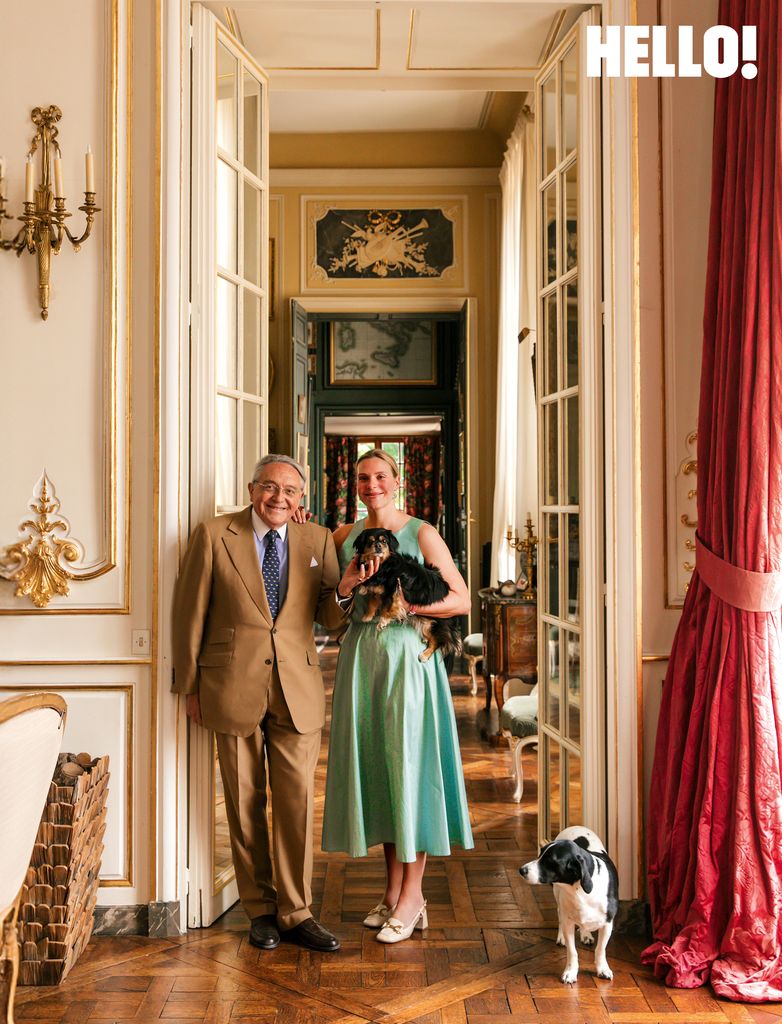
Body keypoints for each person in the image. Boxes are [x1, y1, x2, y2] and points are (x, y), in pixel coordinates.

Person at [171, 454, 370, 953]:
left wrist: (345, 590)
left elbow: (327, 615)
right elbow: (189, 611)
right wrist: (190, 686)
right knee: (243, 802)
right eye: (269, 487)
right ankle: (259, 909)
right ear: (251, 487)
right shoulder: (215, 533)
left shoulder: (317, 539)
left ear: (301, 497)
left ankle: (296, 911)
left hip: (297, 689)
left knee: (296, 803)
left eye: (290, 491)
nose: (279, 498)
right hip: (229, 687)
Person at [321, 448, 474, 943]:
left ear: (397, 480)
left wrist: (409, 604)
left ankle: (414, 896)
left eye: (380, 476)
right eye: (363, 477)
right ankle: (393, 892)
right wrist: (344, 588)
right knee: (381, 772)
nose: (372, 485)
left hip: (409, 662)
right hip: (362, 661)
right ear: (355, 483)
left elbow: (461, 597)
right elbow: (328, 606)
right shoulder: (343, 537)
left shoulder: (421, 532)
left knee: (410, 770)